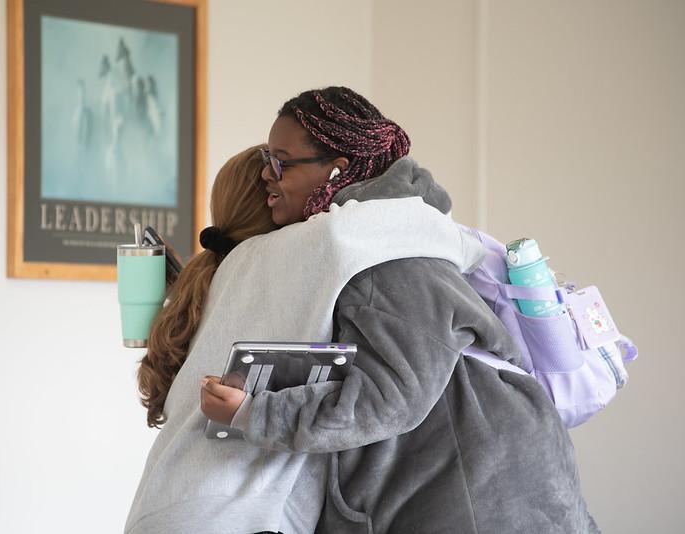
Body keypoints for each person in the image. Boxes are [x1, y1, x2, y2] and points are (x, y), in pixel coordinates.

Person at [200, 86, 600, 534]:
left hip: (481, 489)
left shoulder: (381, 248)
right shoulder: (382, 231)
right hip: (473, 475)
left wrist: (253, 413)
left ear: (338, 169)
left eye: (280, 162)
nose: (266, 177)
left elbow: (390, 397)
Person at [127, 137, 482, 533]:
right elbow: (387, 229)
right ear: (270, 199)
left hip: (163, 506)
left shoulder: (216, 279)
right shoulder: (283, 254)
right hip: (236, 516)